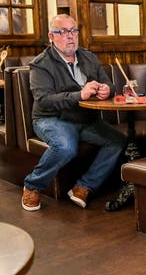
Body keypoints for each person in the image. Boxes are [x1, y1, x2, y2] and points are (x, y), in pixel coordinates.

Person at [21, 14, 127, 211]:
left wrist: (107, 90)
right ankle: (32, 186)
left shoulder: (88, 56)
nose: (70, 36)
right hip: (52, 119)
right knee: (65, 147)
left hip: (86, 118)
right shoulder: (40, 64)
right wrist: (80, 95)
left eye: (73, 31)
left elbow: (110, 85)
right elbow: (44, 101)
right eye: (63, 32)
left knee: (117, 141)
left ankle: (84, 186)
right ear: (51, 37)